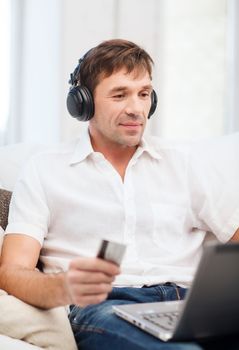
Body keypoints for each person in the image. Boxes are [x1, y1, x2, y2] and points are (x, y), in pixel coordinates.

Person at [0, 39, 238, 350]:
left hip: (190, 302)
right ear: (82, 103)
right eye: (119, 94)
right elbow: (12, 272)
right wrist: (62, 288)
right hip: (103, 307)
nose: (137, 108)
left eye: (144, 94)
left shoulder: (185, 162)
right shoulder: (45, 170)